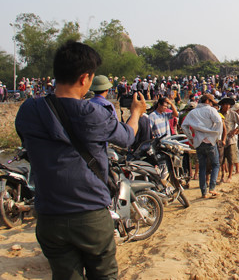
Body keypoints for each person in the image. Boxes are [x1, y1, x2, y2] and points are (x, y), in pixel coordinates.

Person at [15, 41, 146, 279]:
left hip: (49, 216)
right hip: (90, 214)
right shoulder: (93, 114)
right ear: (85, 78)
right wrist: (136, 112)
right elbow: (127, 138)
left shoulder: (28, 111)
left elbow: (27, 141)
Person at [181, 93, 223, 198]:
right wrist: (216, 135)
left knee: (202, 167)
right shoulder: (211, 110)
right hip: (210, 141)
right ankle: (212, 188)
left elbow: (184, 126)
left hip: (198, 141)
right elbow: (219, 122)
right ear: (208, 101)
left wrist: (190, 138)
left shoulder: (193, 112)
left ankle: (203, 192)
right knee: (215, 164)